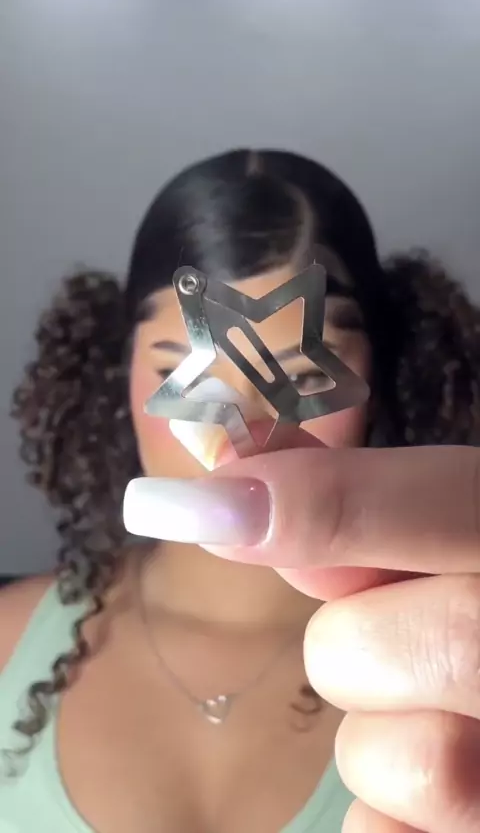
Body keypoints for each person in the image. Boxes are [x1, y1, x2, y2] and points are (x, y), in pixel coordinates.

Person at [1, 149, 479, 833]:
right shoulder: (8, 639)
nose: (243, 433)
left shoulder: (442, 679)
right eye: (193, 380)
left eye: (303, 379)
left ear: (384, 378)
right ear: (116, 373)